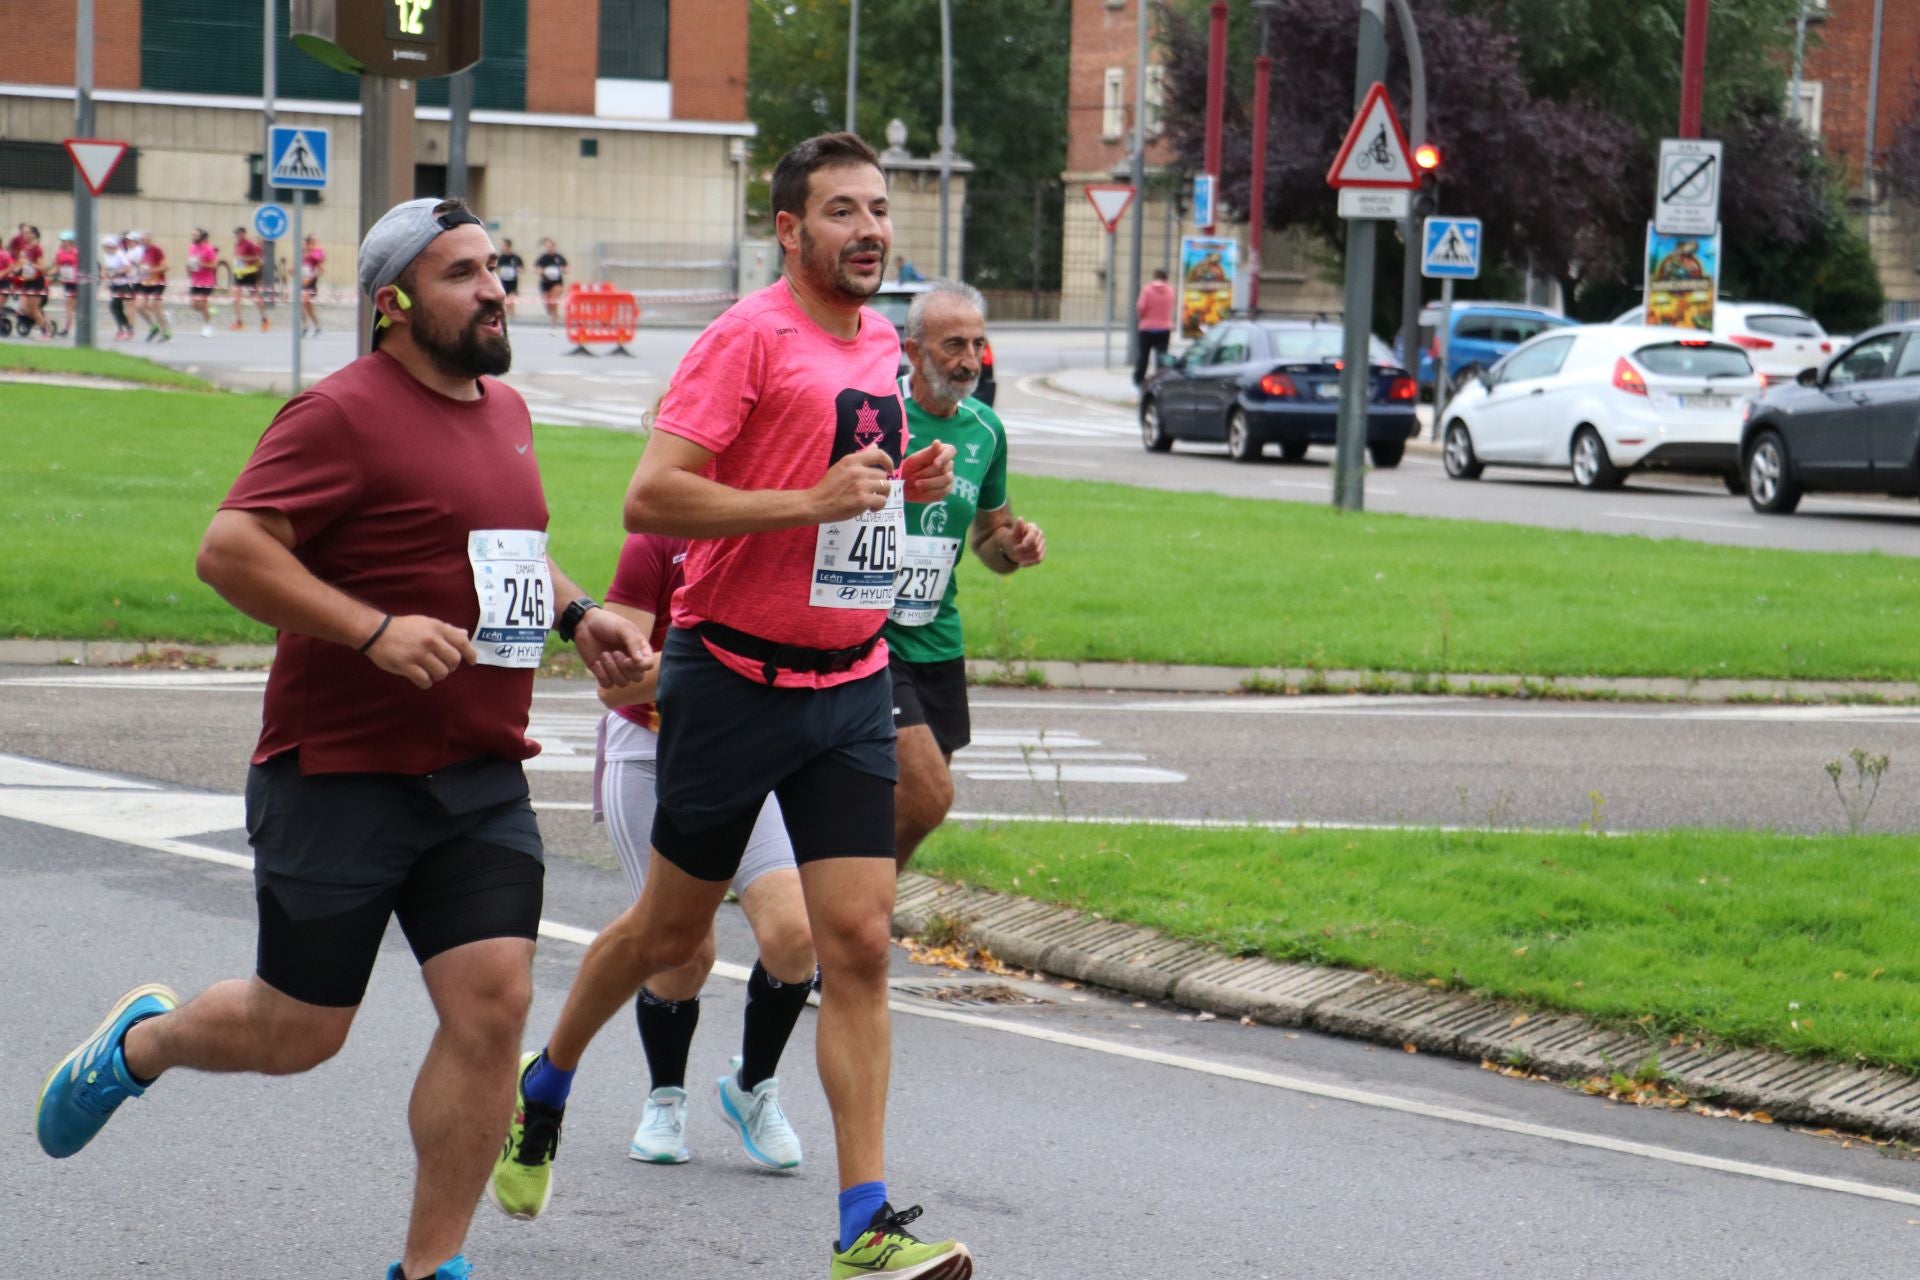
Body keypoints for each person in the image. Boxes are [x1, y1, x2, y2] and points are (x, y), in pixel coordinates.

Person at [32, 196, 654, 1280]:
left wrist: (578, 612)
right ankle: (146, 1039)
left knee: (495, 1004)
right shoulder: (337, 413)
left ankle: (430, 1265)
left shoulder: (506, 411)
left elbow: (505, 549)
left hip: (478, 776)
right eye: (462, 272)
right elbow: (229, 551)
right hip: (339, 774)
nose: (494, 287)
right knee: (300, 1031)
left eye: (494, 267)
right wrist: (369, 630)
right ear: (393, 304)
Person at [487, 132, 973, 1280]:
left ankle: (864, 1224)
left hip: (850, 676)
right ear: (791, 230)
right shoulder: (745, 336)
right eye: (842, 211)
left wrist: (907, 485)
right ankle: (545, 1080)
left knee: (855, 941)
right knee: (668, 931)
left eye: (878, 210)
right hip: (732, 675)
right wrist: (806, 500)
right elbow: (653, 494)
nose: (868, 229)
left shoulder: (882, 347)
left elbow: (848, 494)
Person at [591, 528, 818, 1169]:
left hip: (747, 756)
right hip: (649, 759)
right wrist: (718, 665)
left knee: (796, 935)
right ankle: (664, 1100)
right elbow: (616, 686)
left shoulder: (777, 528)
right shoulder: (653, 545)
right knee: (681, 948)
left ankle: (753, 1089)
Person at [887, 281, 1045, 867]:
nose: (969, 360)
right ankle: (835, 920)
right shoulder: (876, 414)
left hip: (937, 636)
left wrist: (1016, 547)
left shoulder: (985, 430)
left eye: (978, 343)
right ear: (913, 350)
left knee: (911, 810)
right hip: (868, 639)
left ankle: (846, 932)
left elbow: (987, 536)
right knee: (928, 796)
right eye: (954, 344)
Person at [1134, 267, 1175, 388]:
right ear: (1165, 278)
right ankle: (1160, 379)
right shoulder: (1170, 290)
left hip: (1146, 328)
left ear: (1154, 277)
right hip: (1164, 328)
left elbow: (1141, 307)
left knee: (1143, 356)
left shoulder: (1147, 290)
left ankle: (1139, 380)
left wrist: (1143, 319)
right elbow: (1171, 305)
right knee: (1162, 355)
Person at [130, 231, 172, 342]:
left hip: (158, 282)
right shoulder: (142, 252)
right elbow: (141, 266)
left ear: (149, 239)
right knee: (139, 306)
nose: (141, 242)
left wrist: (151, 270)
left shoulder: (156, 250)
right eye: (140, 240)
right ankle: (153, 326)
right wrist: (139, 270)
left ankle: (166, 331)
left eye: (143, 239)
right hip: (145, 282)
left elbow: (166, 266)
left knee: (153, 305)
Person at [10, 225, 51, 338]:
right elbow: (20, 263)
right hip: (26, 281)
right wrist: (15, 270)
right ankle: (44, 321)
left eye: (27, 233)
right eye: (23, 233)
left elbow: (42, 268)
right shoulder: (23, 248)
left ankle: (46, 332)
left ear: (33, 235)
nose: (24, 235)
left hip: (36, 282)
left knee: (33, 309)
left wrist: (29, 263)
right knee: (23, 308)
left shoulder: (37, 249)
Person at [232, 226, 268, 330]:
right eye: (236, 234)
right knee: (236, 299)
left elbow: (257, 258)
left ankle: (265, 319)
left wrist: (244, 258)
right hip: (239, 274)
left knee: (255, 297)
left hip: (249, 274)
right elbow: (238, 258)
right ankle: (239, 322)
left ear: (243, 234)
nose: (237, 236)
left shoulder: (249, 244)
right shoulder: (237, 245)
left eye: (239, 234)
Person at [187, 229, 220, 337]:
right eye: (193, 235)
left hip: (207, 281)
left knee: (201, 303)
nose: (193, 237)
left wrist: (202, 264)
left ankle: (207, 326)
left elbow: (214, 265)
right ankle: (209, 311)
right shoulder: (191, 247)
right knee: (193, 305)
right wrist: (189, 268)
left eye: (196, 235)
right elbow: (191, 262)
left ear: (201, 237)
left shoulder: (208, 249)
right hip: (195, 280)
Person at [100, 234, 134, 340]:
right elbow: (105, 267)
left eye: (106, 246)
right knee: (116, 308)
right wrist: (103, 274)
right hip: (113, 285)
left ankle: (124, 328)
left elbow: (127, 268)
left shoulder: (120, 254)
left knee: (114, 305)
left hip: (123, 284)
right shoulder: (107, 255)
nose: (105, 249)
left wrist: (115, 272)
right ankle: (125, 328)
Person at [534, 238, 566, 328]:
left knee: (553, 301)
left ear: (554, 247)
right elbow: (536, 268)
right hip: (545, 282)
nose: (549, 248)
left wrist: (563, 269)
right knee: (547, 303)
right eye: (547, 246)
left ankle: (554, 322)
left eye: (551, 246)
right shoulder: (543, 258)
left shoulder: (559, 257)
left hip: (557, 282)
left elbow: (567, 267)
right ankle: (553, 314)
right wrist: (541, 271)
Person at [53, 231, 79, 335]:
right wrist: (57, 275)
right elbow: (57, 265)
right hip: (66, 281)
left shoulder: (76, 252)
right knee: (69, 304)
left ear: (71, 242)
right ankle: (67, 328)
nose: (63, 243)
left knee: (73, 305)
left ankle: (73, 326)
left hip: (76, 281)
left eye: (65, 241)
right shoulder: (59, 252)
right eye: (62, 241)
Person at [301, 233, 327, 336]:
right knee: (305, 306)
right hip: (302, 283)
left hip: (311, 284)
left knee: (304, 302)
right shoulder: (302, 257)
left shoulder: (313, 256)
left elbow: (321, 270)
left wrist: (311, 278)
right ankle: (311, 326)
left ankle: (309, 326)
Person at [496, 238, 524, 318]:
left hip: (512, 282)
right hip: (503, 282)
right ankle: (507, 319)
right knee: (505, 304)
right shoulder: (500, 258)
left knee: (511, 302)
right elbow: (495, 269)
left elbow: (521, 269)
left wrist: (518, 269)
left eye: (503, 245)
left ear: (508, 246)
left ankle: (513, 317)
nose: (501, 247)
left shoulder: (515, 258)